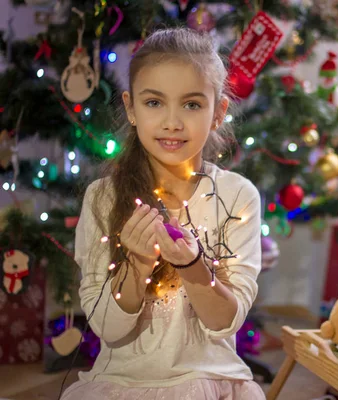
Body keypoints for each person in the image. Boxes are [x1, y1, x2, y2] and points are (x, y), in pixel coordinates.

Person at [61, 28, 265, 399]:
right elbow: (108, 326)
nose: (172, 122)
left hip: (212, 378)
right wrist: (136, 265)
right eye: (154, 102)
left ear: (218, 112)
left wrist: (192, 266)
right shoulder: (103, 198)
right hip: (122, 383)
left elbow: (223, 322)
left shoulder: (237, 197)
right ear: (131, 108)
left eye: (191, 104)